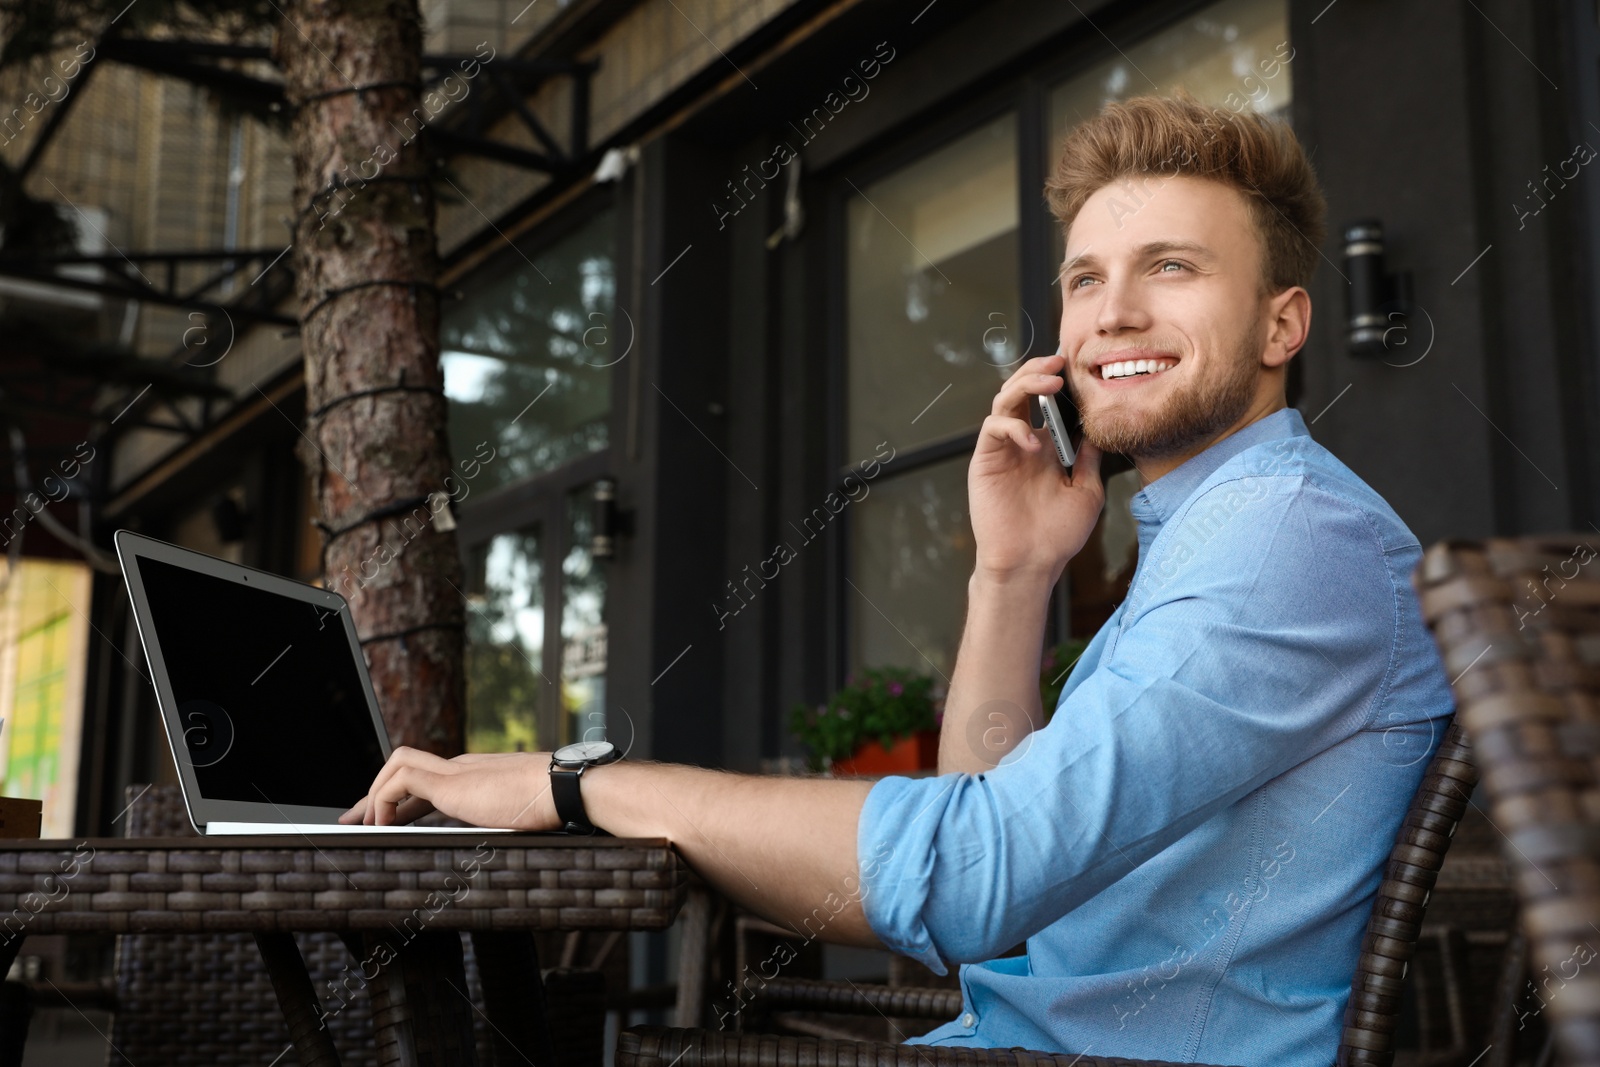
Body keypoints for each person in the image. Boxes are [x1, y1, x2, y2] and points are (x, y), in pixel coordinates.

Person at [341, 90, 1455, 1067]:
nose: (1111, 312)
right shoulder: (1213, 529)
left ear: (1282, 323)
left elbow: (972, 880)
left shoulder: (1280, 541)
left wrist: (577, 781)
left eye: (1171, 266)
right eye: (1084, 278)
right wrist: (1012, 575)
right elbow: (1003, 844)